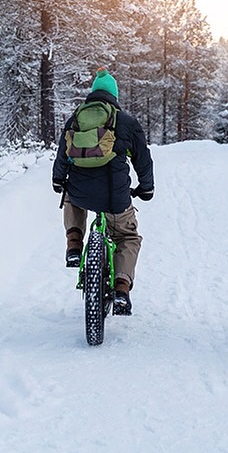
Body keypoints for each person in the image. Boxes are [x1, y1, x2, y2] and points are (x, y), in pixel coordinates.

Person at [52, 67, 154, 315]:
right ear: (114, 96)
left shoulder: (76, 117)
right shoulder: (126, 122)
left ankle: (74, 246)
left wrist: (58, 180)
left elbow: (63, 153)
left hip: (80, 192)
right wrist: (146, 188)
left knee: (70, 197)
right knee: (127, 237)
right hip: (115, 194)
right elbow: (143, 159)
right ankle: (121, 288)